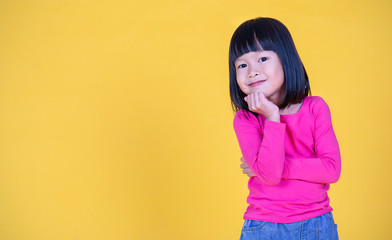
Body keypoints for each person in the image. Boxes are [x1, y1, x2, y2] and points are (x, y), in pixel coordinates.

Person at [229, 17, 341, 240]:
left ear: (285, 59)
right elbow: (270, 176)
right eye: (242, 65)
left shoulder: (315, 108)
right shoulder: (246, 119)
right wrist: (272, 116)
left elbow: (331, 170)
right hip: (264, 226)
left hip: (316, 223)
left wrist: (277, 165)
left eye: (262, 58)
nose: (252, 71)